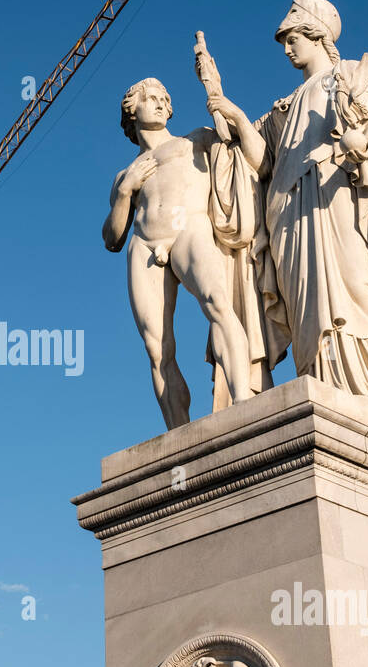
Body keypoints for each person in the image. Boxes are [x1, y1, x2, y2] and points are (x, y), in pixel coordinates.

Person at [225, 0, 368, 406]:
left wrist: (364, 141)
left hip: (337, 196)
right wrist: (236, 117)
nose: (288, 48)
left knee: (359, 286)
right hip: (290, 213)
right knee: (308, 306)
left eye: (293, 39)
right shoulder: (283, 107)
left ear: (317, 34)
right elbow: (263, 163)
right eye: (285, 42)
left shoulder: (345, 75)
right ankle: (323, 382)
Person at [102, 77, 268, 430]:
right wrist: (125, 192)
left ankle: (242, 403)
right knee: (158, 348)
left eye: (165, 98)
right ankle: (178, 435)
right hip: (144, 243)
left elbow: (251, 155)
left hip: (188, 227)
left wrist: (229, 111)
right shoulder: (123, 175)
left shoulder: (195, 140)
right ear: (132, 111)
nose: (161, 103)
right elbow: (111, 238)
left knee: (218, 304)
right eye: (150, 98)